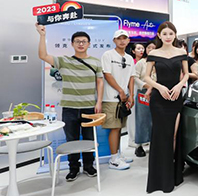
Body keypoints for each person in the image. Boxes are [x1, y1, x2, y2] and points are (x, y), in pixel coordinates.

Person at [36, 24, 103, 181]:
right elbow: (43, 55)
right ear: (72, 44)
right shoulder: (64, 61)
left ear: (89, 44)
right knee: (71, 140)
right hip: (69, 108)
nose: (81, 44)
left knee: (88, 139)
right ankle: (73, 168)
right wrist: (42, 35)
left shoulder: (95, 62)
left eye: (84, 41)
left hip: (89, 107)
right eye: (77, 41)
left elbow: (100, 82)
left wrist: (99, 101)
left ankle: (89, 166)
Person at [143, 22, 189, 193]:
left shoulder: (181, 52)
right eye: (165, 34)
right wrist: (159, 87)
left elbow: (186, 74)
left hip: (175, 97)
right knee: (160, 136)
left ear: (175, 35)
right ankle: (160, 179)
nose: (168, 36)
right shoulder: (153, 53)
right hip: (159, 99)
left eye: (171, 33)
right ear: (159, 35)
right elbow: (146, 77)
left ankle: (173, 174)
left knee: (174, 135)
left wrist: (179, 85)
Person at [101, 30, 136, 170]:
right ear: (114, 40)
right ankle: (113, 159)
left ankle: (118, 154)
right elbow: (107, 75)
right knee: (114, 128)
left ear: (128, 41)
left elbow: (132, 77)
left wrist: (131, 95)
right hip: (111, 98)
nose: (122, 41)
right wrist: (121, 91)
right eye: (119, 38)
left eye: (124, 38)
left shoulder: (129, 58)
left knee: (120, 127)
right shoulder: (108, 55)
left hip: (124, 99)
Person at [134, 41, 156, 158]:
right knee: (142, 119)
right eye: (149, 48)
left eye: (154, 47)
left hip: (158, 93)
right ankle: (139, 145)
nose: (151, 50)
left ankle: (154, 144)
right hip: (143, 93)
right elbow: (135, 77)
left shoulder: (160, 62)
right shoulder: (141, 63)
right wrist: (146, 86)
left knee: (155, 120)